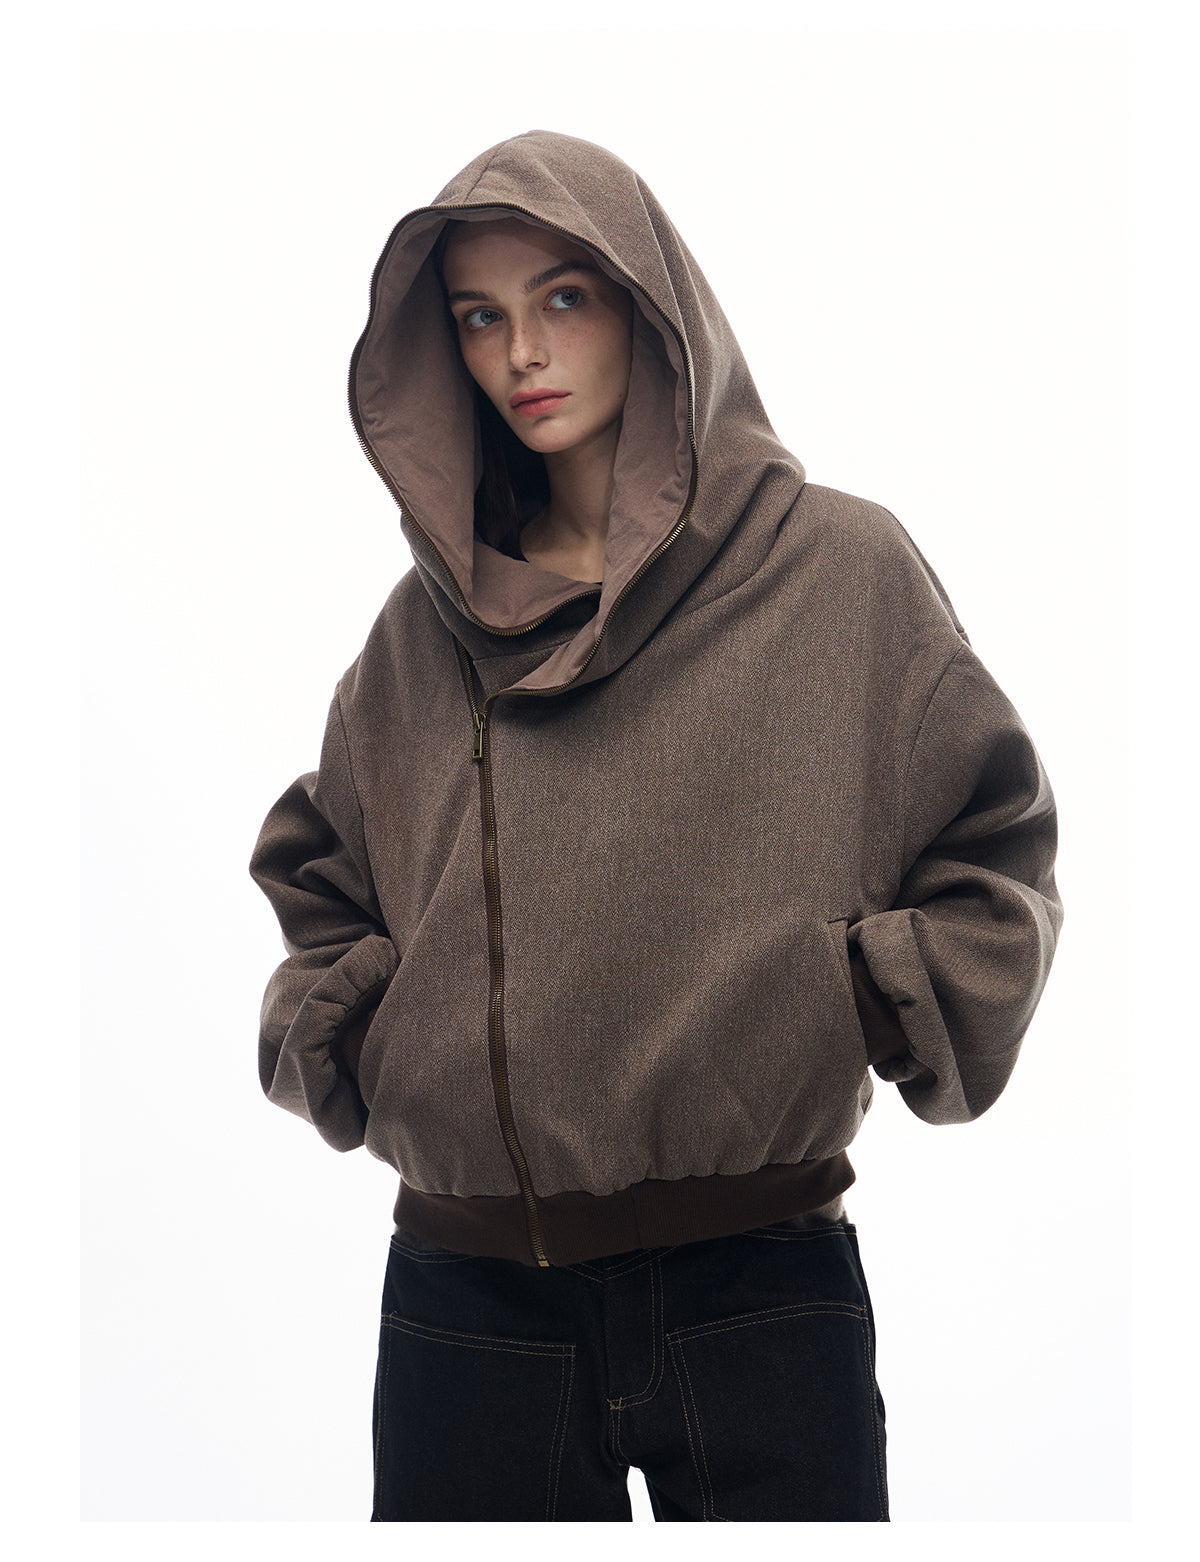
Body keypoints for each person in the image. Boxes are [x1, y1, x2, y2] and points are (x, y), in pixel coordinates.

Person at [249, 129, 1064, 1522]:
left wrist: (855, 993)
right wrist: (380, 1032)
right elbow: (323, 869)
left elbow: (994, 839)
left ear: (651, 307)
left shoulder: (839, 572)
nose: (522, 351)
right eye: (479, 316)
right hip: (471, 1301)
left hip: (762, 1281)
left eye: (562, 297)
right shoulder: (417, 638)